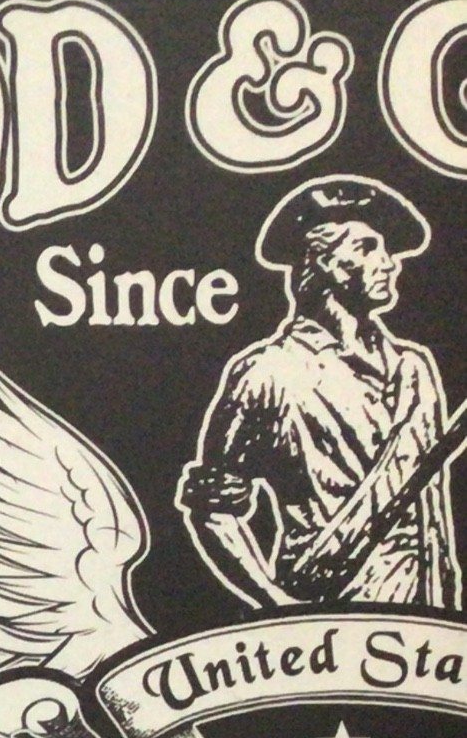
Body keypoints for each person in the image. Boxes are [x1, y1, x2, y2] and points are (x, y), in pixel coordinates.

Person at [177, 175, 459, 612]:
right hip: (322, 621)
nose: (390, 264)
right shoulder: (269, 371)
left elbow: (433, 515)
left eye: (387, 250)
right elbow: (214, 510)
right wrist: (275, 604)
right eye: (368, 248)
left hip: (425, 621)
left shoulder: (415, 368)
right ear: (325, 261)